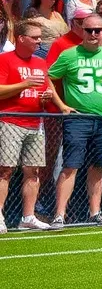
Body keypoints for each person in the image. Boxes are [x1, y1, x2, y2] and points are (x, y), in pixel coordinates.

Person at [48, 13, 102, 228]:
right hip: (78, 118)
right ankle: (59, 214)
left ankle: (95, 212)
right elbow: (49, 77)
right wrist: (61, 105)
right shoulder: (69, 54)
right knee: (70, 166)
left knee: (98, 166)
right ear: (82, 31)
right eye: (89, 30)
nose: (93, 34)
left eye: (97, 30)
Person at [0, 22, 68, 232]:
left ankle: (28, 216)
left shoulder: (40, 62)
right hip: (10, 121)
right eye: (35, 37)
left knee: (34, 171)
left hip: (35, 122)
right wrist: (25, 84)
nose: (39, 41)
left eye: (40, 37)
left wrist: (47, 98)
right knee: (5, 170)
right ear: (21, 38)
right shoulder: (5, 59)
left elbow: (45, 88)